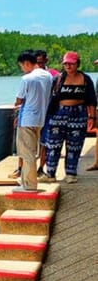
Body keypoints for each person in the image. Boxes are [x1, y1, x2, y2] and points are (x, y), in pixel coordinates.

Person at [41, 51, 97, 184]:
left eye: (71, 64)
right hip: (58, 115)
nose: (68, 66)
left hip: (78, 114)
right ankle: (50, 174)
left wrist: (92, 118)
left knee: (75, 145)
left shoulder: (85, 79)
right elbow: (49, 98)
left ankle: (71, 173)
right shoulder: (58, 79)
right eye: (66, 64)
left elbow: (91, 100)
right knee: (53, 145)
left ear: (77, 64)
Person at [12, 50, 52, 191]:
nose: (22, 69)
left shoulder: (27, 79)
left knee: (26, 152)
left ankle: (29, 185)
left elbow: (19, 99)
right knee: (33, 151)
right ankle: (27, 182)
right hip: (40, 118)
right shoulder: (48, 76)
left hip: (27, 119)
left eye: (22, 66)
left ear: (27, 63)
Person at [34, 49, 58, 178]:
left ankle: (41, 167)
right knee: (30, 143)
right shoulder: (30, 75)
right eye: (36, 62)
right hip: (33, 114)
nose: (38, 65)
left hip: (49, 114)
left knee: (45, 142)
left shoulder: (54, 75)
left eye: (41, 62)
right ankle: (23, 168)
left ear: (46, 61)